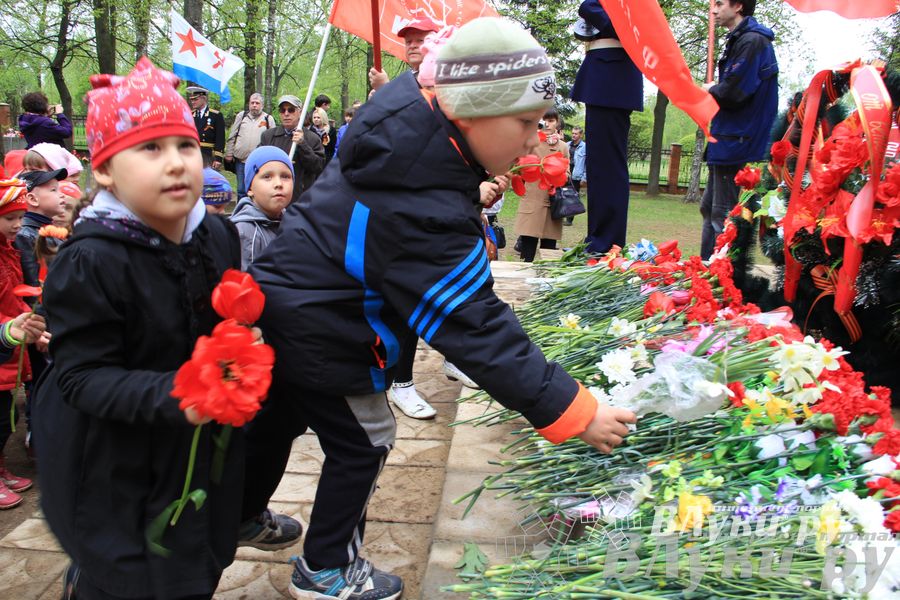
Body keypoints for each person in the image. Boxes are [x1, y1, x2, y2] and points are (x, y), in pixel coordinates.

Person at [242, 18, 637, 600]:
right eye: (526, 123)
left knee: (276, 419)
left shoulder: (410, 131)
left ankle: (240, 513)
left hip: (289, 302)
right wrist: (571, 409)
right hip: (328, 325)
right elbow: (472, 321)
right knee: (366, 439)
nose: (535, 141)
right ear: (474, 111)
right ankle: (326, 568)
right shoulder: (418, 196)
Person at [33, 57, 244, 600]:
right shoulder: (91, 262)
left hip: (196, 446)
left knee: (194, 559)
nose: (175, 163)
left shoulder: (217, 238)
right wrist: (182, 392)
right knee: (131, 576)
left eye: (186, 146)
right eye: (150, 148)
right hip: (115, 459)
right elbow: (81, 378)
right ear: (104, 171)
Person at [700, 0, 778, 259]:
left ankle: (719, 275)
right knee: (709, 207)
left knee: (722, 214)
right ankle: (704, 267)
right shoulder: (741, 40)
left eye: (720, 3)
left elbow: (734, 92)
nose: (714, 10)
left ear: (739, 6)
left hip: (737, 138)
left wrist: (711, 89)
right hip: (727, 135)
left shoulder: (752, 42)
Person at [570, 0, 643, 254]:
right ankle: (600, 238)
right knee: (600, 166)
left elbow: (592, 8)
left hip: (611, 79)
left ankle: (605, 242)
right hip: (608, 78)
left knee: (607, 166)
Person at [0, 178, 47, 510]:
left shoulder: (11, 251)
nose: (18, 224)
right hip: (3, 342)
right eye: (9, 219)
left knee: (4, 418)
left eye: (20, 217)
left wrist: (31, 324)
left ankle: (2, 469)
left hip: (11, 343)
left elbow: (17, 297)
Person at [515, 109, 570, 262]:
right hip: (532, 201)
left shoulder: (563, 147)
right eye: (543, 119)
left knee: (548, 254)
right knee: (527, 253)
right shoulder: (530, 142)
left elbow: (567, 174)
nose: (547, 123)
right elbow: (519, 168)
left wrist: (556, 174)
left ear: (557, 123)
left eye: (551, 120)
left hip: (553, 205)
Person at [230, 146, 294, 270]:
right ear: (249, 189)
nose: (278, 184)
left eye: (285, 176)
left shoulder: (292, 224)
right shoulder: (245, 232)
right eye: (267, 177)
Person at [259, 95, 325, 202]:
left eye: (291, 110)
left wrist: (303, 144)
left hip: (299, 198)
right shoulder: (268, 136)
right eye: (282, 110)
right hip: (273, 196)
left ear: (300, 112)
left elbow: (318, 167)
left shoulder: (312, 138)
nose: (286, 114)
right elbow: (258, 164)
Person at [16, 169, 67, 288]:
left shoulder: (48, 229)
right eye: (54, 190)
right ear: (33, 199)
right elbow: (33, 284)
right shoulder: (24, 236)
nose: (62, 194)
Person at [224, 93, 276, 198]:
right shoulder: (241, 116)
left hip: (259, 162)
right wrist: (229, 153)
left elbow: (273, 140)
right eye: (252, 103)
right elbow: (232, 136)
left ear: (262, 105)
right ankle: (241, 212)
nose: (254, 105)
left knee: (258, 189)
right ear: (249, 104)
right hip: (241, 160)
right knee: (241, 190)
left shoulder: (268, 119)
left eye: (257, 103)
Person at [368, 17, 441, 91]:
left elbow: (426, 101)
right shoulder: (405, 78)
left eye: (420, 40)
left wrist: (385, 88)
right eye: (408, 42)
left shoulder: (443, 75)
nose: (412, 46)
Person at [187, 86, 226, 170]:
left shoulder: (215, 115)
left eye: (195, 99)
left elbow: (220, 138)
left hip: (208, 155)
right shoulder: (190, 115)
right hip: (193, 153)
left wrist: (218, 158)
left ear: (204, 99)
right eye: (192, 100)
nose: (193, 102)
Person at [567, 126, 586, 226]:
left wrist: (584, 177)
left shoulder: (585, 147)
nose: (573, 135)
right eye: (573, 133)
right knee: (563, 194)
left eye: (576, 134)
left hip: (576, 175)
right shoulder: (567, 145)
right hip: (566, 172)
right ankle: (562, 213)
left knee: (573, 196)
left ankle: (569, 219)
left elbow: (587, 163)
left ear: (581, 135)